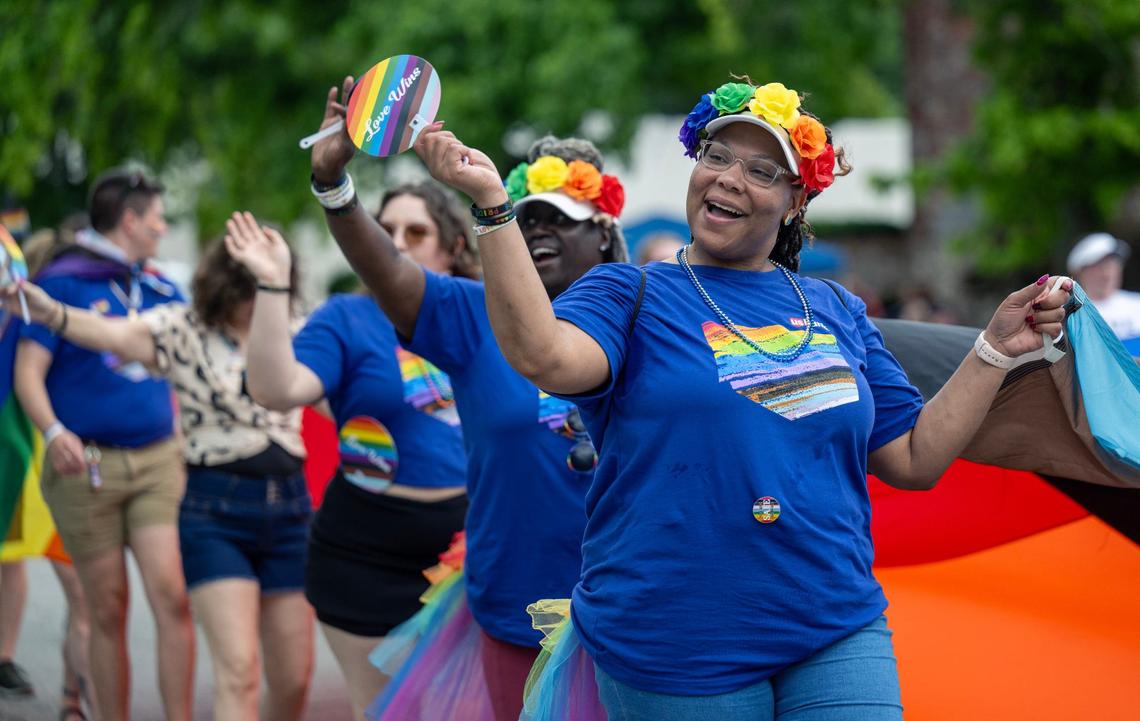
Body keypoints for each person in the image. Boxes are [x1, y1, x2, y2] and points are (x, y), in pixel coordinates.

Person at [412, 77, 1074, 720]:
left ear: (793, 201)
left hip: (834, 621)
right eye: (717, 156)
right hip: (676, 638)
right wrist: (493, 208)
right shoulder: (629, 293)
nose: (728, 177)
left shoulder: (837, 308)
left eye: (761, 170)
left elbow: (913, 457)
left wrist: (993, 348)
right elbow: (542, 355)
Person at [301, 78, 627, 721]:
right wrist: (334, 188)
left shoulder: (648, 317)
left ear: (607, 239)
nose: (540, 228)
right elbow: (391, 273)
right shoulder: (474, 315)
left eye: (563, 218)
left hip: (635, 609)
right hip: (513, 605)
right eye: (528, 215)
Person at [6, 224, 318, 721]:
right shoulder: (183, 327)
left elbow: (341, 399)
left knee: (294, 680)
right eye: (251, 282)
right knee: (238, 671)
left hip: (290, 511)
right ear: (228, 282)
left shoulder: (296, 331)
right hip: (215, 510)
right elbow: (110, 334)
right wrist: (51, 312)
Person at [233, 183, 475, 721]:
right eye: (384, 230)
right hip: (362, 556)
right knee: (388, 712)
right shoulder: (347, 318)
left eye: (416, 232)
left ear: (454, 246)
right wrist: (272, 285)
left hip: (468, 555)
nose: (395, 243)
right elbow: (276, 389)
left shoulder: (482, 312)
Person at [11, 169, 194, 721]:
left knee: (172, 597)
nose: (163, 228)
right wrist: (54, 432)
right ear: (131, 220)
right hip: (85, 465)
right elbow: (28, 373)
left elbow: (188, 370)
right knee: (107, 607)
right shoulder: (63, 284)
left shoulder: (164, 285)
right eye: (157, 218)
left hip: (159, 461)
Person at [1, 221, 98, 720]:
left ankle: (71, 699)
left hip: (64, 468)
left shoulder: (81, 318)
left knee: (84, 591)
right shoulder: (22, 322)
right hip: (39, 461)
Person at [1066, 232, 1140, 349]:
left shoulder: (1137, 303)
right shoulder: (1069, 314)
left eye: (1112, 264)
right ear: (1080, 272)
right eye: (1099, 267)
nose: (1107, 273)